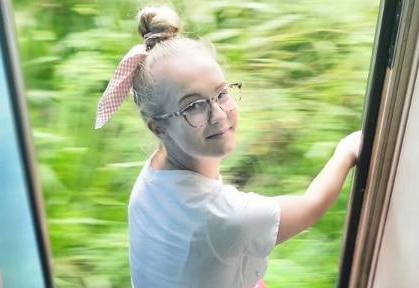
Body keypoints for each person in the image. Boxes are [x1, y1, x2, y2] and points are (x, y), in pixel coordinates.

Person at [95, 5, 362, 288]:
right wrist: (345, 151)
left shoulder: (152, 178)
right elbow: (312, 207)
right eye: (193, 106)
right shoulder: (222, 216)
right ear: (158, 127)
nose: (219, 114)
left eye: (221, 93)